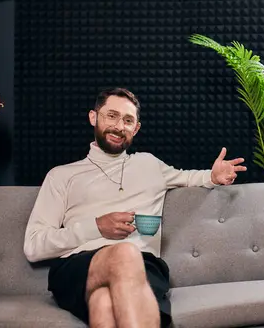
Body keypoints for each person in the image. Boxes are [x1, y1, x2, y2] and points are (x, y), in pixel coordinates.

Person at [23, 87, 247, 328]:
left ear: (136, 129)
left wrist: (213, 177)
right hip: (78, 266)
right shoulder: (61, 176)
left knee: (103, 303)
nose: (119, 126)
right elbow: (34, 246)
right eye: (111, 116)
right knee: (124, 253)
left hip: (144, 265)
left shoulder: (149, 165)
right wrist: (96, 227)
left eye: (128, 120)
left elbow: (191, 177)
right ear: (93, 117)